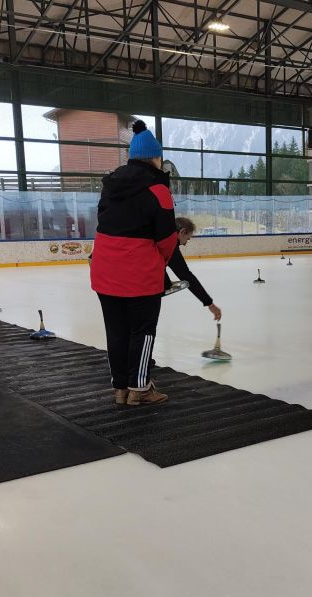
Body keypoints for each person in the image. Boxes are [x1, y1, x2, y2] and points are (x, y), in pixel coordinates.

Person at [90, 120, 177, 406]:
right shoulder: (158, 189)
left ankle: (120, 389)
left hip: (104, 271)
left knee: (116, 332)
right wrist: (159, 262)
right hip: (139, 273)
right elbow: (167, 239)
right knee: (142, 331)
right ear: (155, 158)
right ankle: (140, 388)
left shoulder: (110, 185)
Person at [164, 217, 222, 321]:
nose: (185, 243)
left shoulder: (159, 238)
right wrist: (210, 304)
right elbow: (186, 275)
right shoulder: (170, 246)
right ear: (182, 232)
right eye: (187, 238)